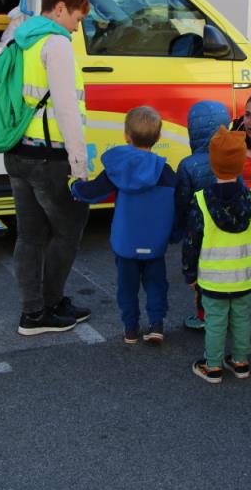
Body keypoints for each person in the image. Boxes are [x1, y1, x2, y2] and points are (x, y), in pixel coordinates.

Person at [7, 0, 93, 337]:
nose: (77, 28)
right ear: (59, 9)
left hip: (18, 151)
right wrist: (79, 164)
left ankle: (33, 312)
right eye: (77, 18)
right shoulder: (55, 44)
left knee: (29, 236)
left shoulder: (20, 37)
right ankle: (51, 302)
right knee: (68, 231)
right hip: (49, 156)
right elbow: (66, 108)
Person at [71, 106, 177, 345]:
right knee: (156, 284)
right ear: (158, 137)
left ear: (127, 136)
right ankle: (156, 324)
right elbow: (178, 203)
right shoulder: (165, 171)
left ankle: (130, 329)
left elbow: (92, 192)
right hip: (155, 242)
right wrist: (176, 232)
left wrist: (74, 187)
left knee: (126, 287)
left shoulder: (118, 167)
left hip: (126, 241)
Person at [183, 126, 251, 383]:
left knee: (215, 321)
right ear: (241, 164)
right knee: (242, 318)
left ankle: (213, 365)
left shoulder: (201, 200)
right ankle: (240, 361)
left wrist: (190, 273)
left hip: (213, 278)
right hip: (246, 276)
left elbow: (192, 241)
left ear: (213, 163)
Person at [174, 100, 233, 331]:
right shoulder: (231, 158)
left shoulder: (188, 165)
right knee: (225, 272)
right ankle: (227, 313)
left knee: (201, 276)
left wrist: (178, 227)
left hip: (199, 231)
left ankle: (204, 316)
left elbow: (181, 200)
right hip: (227, 229)